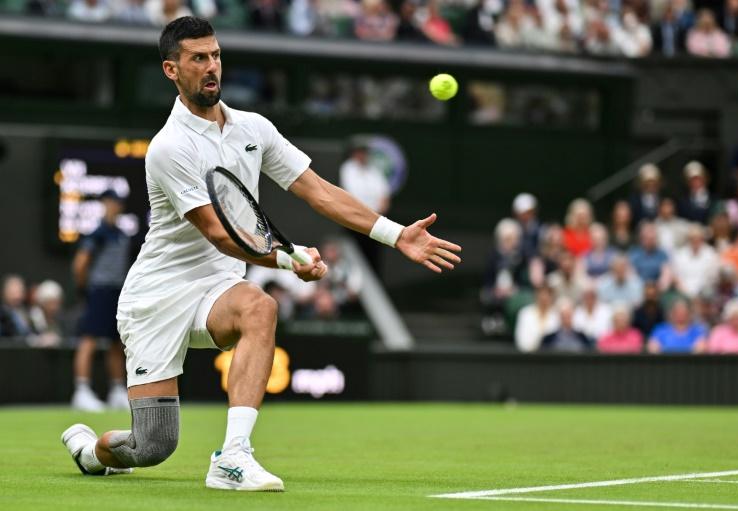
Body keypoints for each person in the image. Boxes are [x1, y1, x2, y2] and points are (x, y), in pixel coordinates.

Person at [61, 17, 461, 490]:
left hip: (217, 291)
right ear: (171, 69)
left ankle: (232, 456)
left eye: (215, 55)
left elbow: (320, 192)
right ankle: (91, 451)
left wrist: (397, 236)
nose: (212, 67)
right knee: (153, 446)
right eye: (197, 58)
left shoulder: (254, 128)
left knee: (259, 306)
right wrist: (290, 260)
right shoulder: (168, 147)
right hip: (156, 298)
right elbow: (220, 233)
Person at [70, 190, 133, 412]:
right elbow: (80, 264)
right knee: (89, 339)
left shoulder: (122, 234)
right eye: (110, 202)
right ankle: (81, 391)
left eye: (117, 203)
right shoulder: (97, 233)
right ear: (104, 204)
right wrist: (85, 289)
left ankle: (117, 390)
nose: (114, 206)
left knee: (117, 343)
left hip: (118, 293)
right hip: (99, 292)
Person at [339, 144, 391, 272]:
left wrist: (378, 216)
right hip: (355, 222)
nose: (362, 155)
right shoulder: (348, 169)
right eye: (360, 152)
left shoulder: (374, 171)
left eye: (365, 152)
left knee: (373, 258)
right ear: (354, 154)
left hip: (375, 223)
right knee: (357, 255)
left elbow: (384, 196)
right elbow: (350, 194)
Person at [670, 223, 719, 299]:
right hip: (683, 294)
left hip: (705, 294)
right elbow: (676, 278)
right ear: (688, 239)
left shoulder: (710, 254)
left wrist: (700, 295)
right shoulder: (680, 255)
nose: (695, 241)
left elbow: (712, 278)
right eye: (693, 238)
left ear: (702, 239)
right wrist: (686, 294)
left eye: (698, 238)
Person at [628, 222, 672, 290]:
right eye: (648, 239)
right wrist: (641, 287)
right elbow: (631, 273)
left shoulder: (662, 254)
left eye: (653, 239)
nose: (651, 241)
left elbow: (666, 273)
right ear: (642, 239)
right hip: (638, 287)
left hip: (657, 288)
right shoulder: (634, 253)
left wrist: (658, 286)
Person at [515, 285, 559, 353]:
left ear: (551, 298)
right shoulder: (525, 313)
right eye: (541, 296)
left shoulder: (557, 316)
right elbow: (521, 341)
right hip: (528, 356)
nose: (544, 299)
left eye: (547, 296)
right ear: (536, 296)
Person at [677, 161, 716, 225]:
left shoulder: (714, 199)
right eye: (692, 180)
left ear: (705, 179)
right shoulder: (682, 202)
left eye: (698, 179)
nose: (696, 183)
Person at [0, 274, 33, 339]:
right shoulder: (2, 314)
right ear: (3, 292)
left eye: (19, 291)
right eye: (13, 292)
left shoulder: (26, 312)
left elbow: (31, 332)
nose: (17, 296)